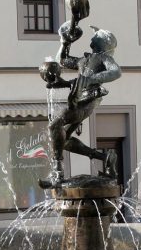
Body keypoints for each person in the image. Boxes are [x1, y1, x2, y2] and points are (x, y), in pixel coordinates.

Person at [40, 23, 121, 188]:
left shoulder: (103, 57)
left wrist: (91, 79)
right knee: (65, 140)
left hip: (89, 99)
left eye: (96, 35)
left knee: (54, 125)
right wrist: (65, 42)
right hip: (78, 98)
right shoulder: (85, 60)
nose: (92, 37)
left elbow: (116, 72)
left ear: (103, 42)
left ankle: (58, 174)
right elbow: (62, 60)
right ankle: (104, 158)